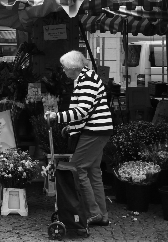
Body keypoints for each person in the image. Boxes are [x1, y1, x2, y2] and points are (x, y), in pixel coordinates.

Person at [45, 50, 113, 227]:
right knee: (93, 171)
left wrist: (56, 117)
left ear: (72, 67)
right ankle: (102, 214)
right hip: (98, 129)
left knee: (78, 168)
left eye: (64, 68)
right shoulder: (84, 78)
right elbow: (87, 110)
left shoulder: (86, 80)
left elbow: (83, 110)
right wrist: (72, 126)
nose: (63, 71)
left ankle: (94, 213)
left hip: (95, 130)